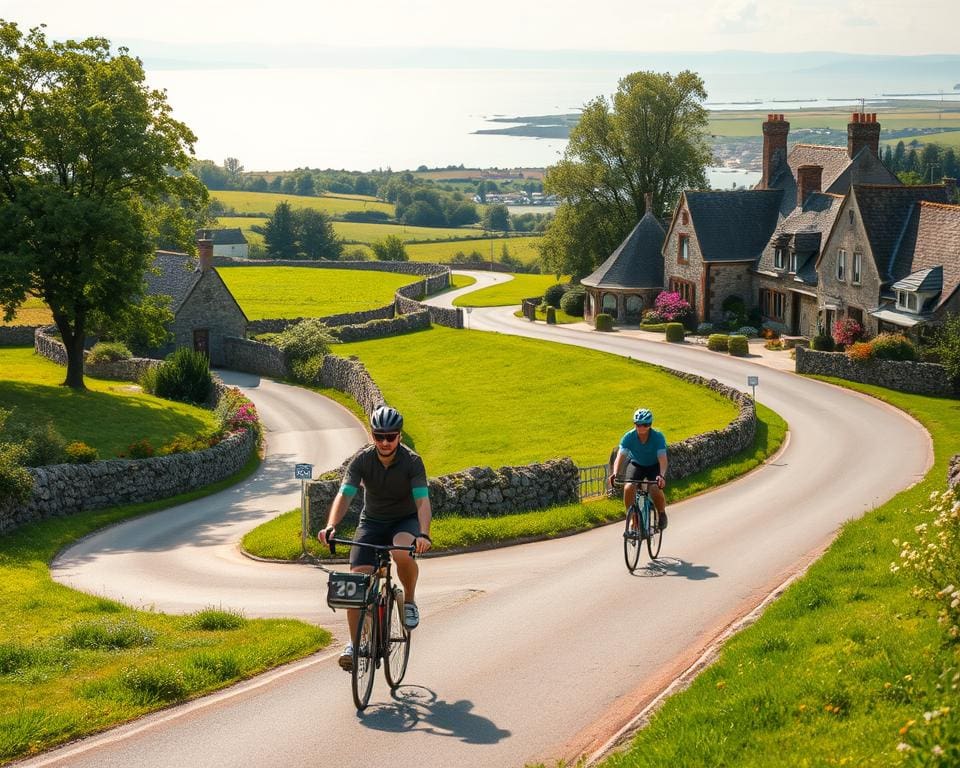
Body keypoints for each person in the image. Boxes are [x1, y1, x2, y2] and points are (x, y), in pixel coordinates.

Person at [319, 405, 433, 672]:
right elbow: (345, 494)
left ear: (399, 437)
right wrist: (331, 525)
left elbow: (422, 501)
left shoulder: (412, 462)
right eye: (378, 436)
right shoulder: (361, 460)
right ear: (372, 435)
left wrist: (424, 534)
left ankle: (410, 601)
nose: (384, 442)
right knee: (355, 582)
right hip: (371, 522)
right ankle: (355, 643)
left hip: (404, 521)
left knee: (402, 552)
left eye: (390, 436)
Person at [608, 407, 669, 531]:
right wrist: (615, 473)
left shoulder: (658, 437)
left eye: (645, 425)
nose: (641, 428)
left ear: (650, 425)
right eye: (638, 425)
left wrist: (661, 475)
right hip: (637, 464)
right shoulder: (629, 437)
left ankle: (662, 513)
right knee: (629, 487)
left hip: (654, 465)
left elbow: (662, 459)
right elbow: (620, 456)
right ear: (634, 424)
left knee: (654, 488)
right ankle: (632, 517)